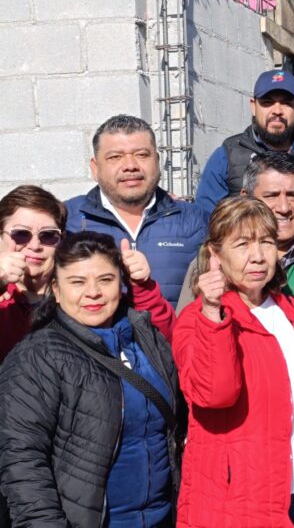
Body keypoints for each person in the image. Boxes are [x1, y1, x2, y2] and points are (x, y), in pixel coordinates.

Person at [0, 231, 184, 528]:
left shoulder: (146, 337)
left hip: (163, 517)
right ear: (56, 289)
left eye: (105, 279)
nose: (93, 292)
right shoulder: (37, 356)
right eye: (77, 282)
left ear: (121, 283)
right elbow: (22, 460)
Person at [173, 196, 294, 527]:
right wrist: (213, 314)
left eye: (266, 242)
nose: (257, 256)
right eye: (242, 244)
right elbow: (214, 394)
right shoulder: (198, 320)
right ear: (216, 254)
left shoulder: (288, 309)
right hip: (240, 501)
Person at [0, 185, 174, 357]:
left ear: (62, 239)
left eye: (48, 235)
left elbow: (163, 343)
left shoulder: (88, 294)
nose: (35, 245)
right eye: (21, 234)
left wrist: (141, 287)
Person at [177, 152, 294, 328]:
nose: (284, 207)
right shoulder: (211, 263)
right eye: (271, 195)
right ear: (246, 197)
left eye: (293, 195)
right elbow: (185, 333)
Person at [64, 114, 207, 308]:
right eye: (115, 157)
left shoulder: (195, 221)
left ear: (157, 161)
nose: (130, 166)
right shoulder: (67, 220)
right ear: (95, 168)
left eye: (142, 155)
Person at [194, 69, 294, 222]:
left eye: (286, 103)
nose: (277, 111)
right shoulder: (227, 156)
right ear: (253, 106)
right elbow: (206, 220)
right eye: (267, 103)